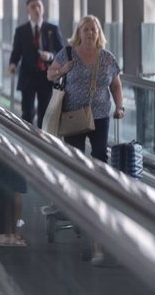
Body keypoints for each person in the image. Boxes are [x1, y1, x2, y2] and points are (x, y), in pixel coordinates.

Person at [47, 15, 124, 265]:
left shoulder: (107, 57)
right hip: (73, 115)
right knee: (76, 160)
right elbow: (50, 74)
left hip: (100, 115)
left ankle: (97, 198)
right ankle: (78, 202)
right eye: (86, 29)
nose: (90, 33)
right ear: (79, 32)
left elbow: (116, 86)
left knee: (100, 156)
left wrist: (119, 107)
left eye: (94, 29)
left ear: (99, 33)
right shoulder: (68, 53)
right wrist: (62, 70)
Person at [9, 0, 65, 128]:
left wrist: (51, 56)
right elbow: (16, 51)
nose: (36, 9)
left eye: (39, 6)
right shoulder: (21, 31)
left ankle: (41, 141)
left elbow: (62, 52)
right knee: (27, 112)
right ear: (28, 11)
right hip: (27, 75)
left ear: (43, 8)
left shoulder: (52, 29)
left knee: (44, 112)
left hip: (46, 76)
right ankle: (27, 139)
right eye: (33, 7)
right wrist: (13, 64)